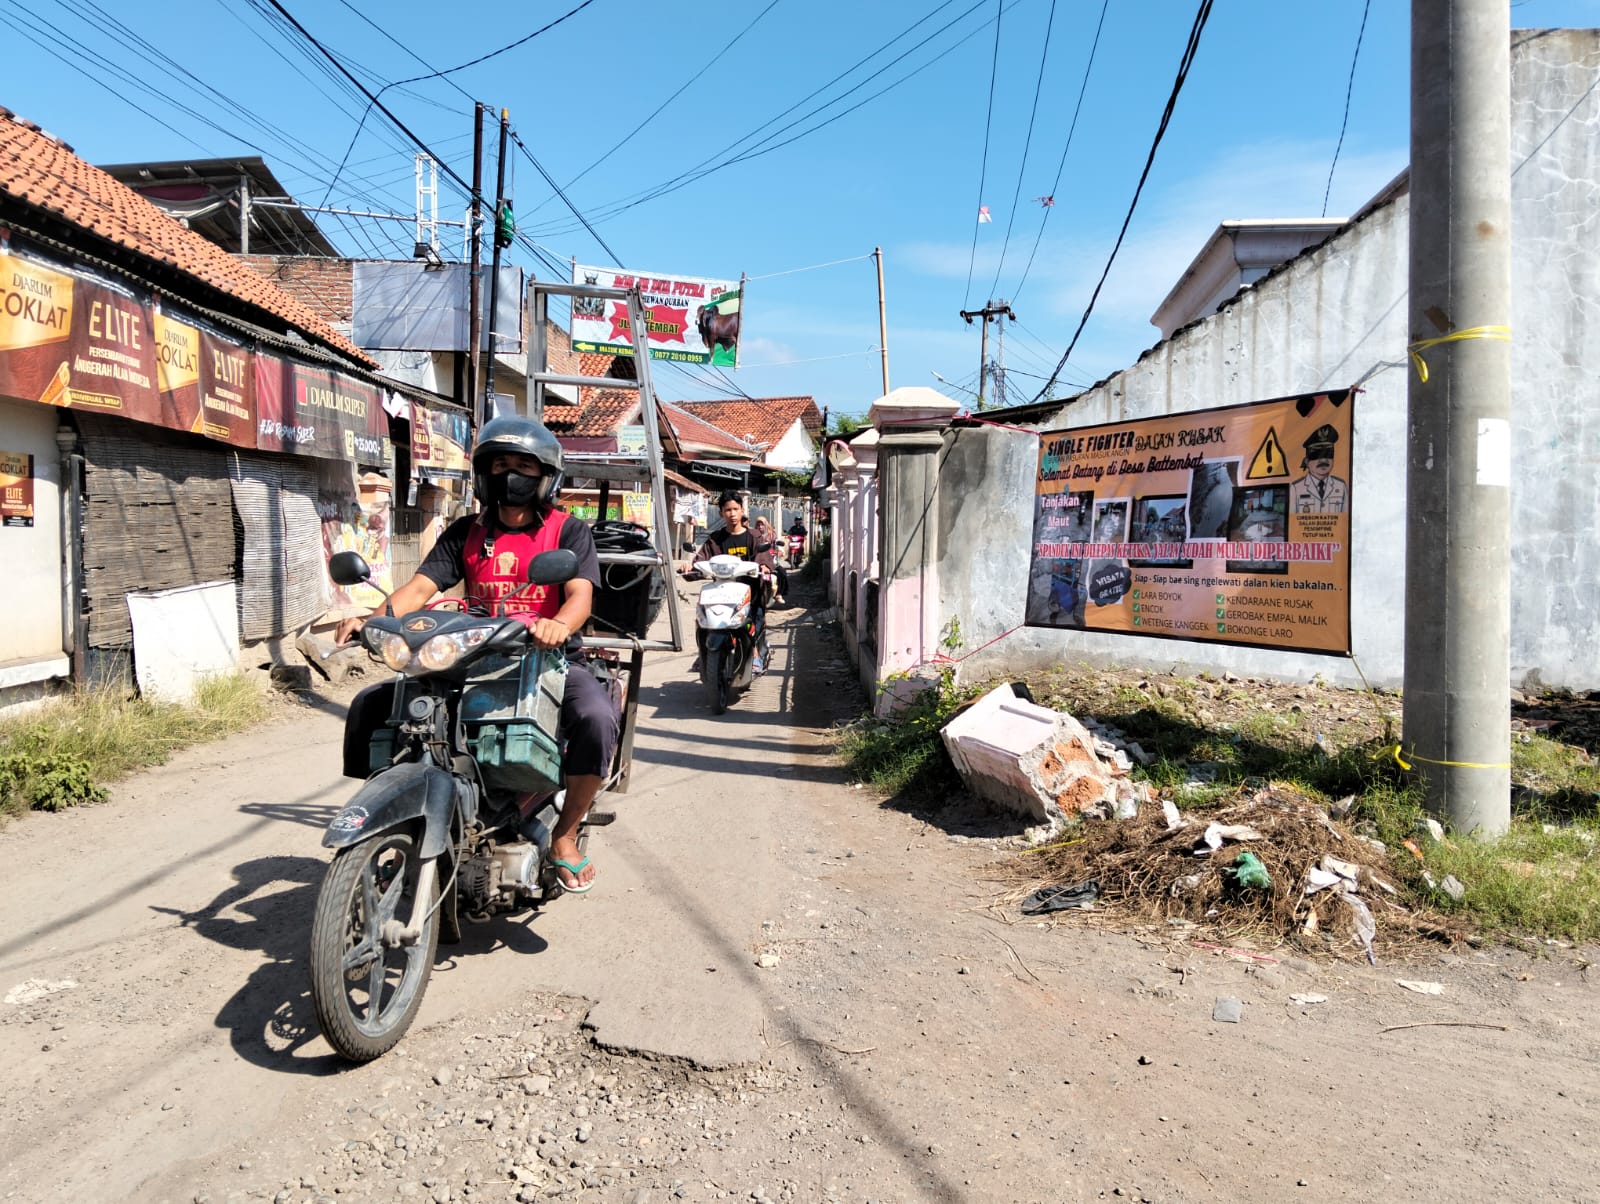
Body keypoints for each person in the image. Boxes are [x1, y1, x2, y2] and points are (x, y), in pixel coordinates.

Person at [337, 416, 617, 894]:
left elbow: (579, 596)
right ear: (484, 473)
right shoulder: (465, 532)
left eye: (523, 466)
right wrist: (374, 619)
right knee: (375, 707)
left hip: (546, 658)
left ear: (545, 475)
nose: (510, 475)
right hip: (470, 655)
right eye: (500, 464)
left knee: (595, 717)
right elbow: (420, 588)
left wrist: (558, 625)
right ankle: (397, 823)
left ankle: (565, 835)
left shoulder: (567, 531)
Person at [1288, 423, 1349, 514]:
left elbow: (1345, 518)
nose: (1323, 460)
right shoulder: (1296, 488)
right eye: (1316, 455)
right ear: (1306, 461)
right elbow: (1291, 519)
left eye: (1328, 454)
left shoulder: (1341, 486)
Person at [750, 515, 788, 605]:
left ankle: (778, 594)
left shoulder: (772, 535)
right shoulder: (753, 536)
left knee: (782, 572)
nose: (760, 527)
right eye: (758, 525)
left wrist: (779, 552)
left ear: (766, 525)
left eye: (762, 524)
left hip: (771, 561)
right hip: (757, 561)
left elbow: (779, 548)